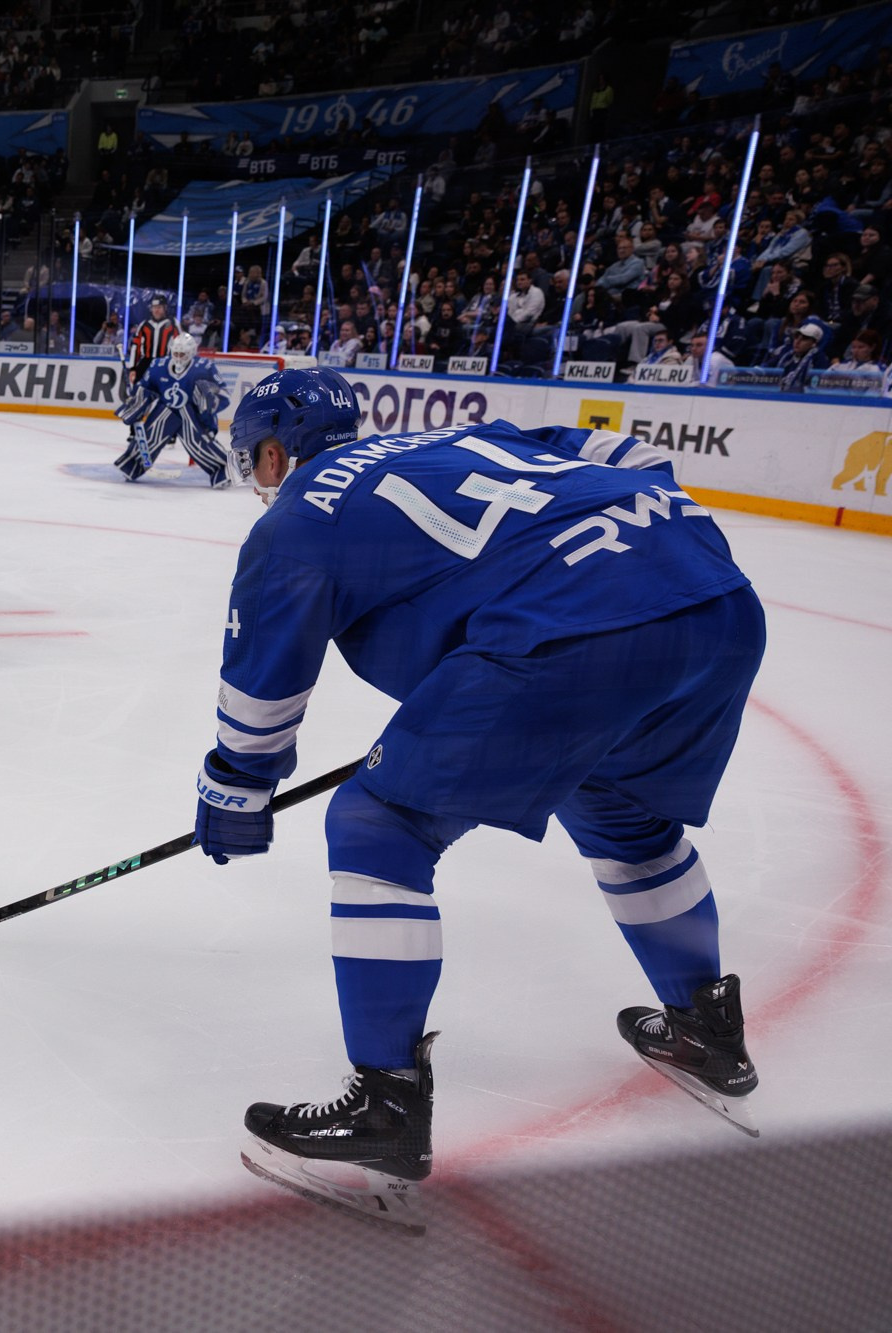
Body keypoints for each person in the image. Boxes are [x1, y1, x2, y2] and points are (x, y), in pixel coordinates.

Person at [201, 368, 764, 1226]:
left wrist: (233, 794)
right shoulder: (456, 434)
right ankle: (706, 1029)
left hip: (576, 629)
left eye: (257, 459)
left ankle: (384, 1106)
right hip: (711, 589)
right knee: (620, 808)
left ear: (275, 452)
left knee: (377, 822)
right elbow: (627, 453)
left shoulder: (297, 518)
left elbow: (261, 695)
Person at [113, 334, 244, 488]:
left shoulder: (204, 367)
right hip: (166, 410)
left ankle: (223, 470)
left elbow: (223, 395)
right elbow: (145, 388)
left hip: (195, 415)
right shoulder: (158, 366)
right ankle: (133, 464)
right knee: (152, 434)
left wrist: (208, 400)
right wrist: (137, 399)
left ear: (192, 353)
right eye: (176, 353)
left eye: (183, 354)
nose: (179, 357)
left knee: (197, 442)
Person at [127, 295, 176, 391]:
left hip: (165, 363)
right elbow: (135, 347)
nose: (156, 310)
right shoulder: (144, 325)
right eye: (154, 308)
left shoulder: (173, 323)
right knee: (138, 388)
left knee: (164, 389)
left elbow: (180, 344)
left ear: (165, 308)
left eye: (159, 308)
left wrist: (177, 365)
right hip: (146, 361)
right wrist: (133, 368)